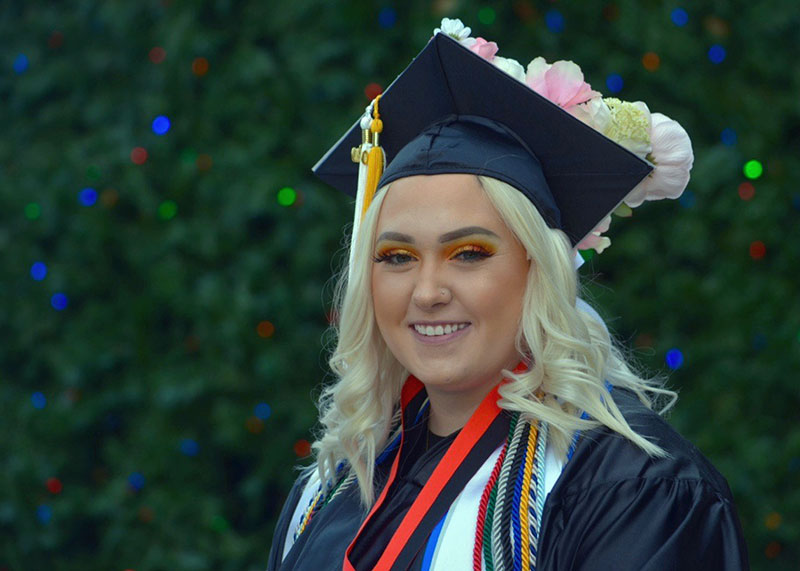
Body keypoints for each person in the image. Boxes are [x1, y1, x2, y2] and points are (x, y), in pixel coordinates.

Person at [268, 19, 748, 571]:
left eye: (469, 253)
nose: (427, 292)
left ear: (539, 270)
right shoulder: (332, 486)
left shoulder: (634, 490)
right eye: (397, 257)